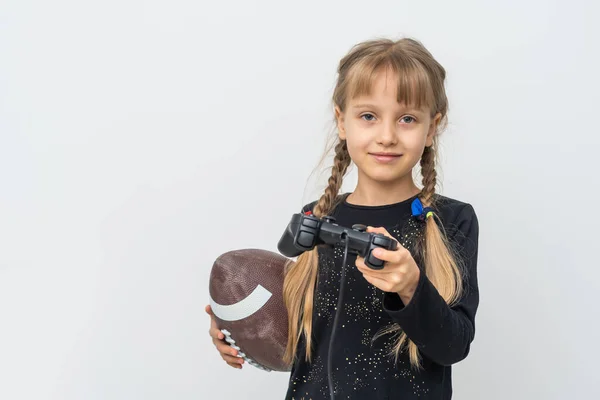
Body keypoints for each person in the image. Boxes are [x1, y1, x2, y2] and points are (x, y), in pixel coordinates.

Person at [206, 36, 479, 400]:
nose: (386, 136)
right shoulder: (319, 220)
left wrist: (411, 287)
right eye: (368, 116)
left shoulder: (449, 221)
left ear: (431, 128)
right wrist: (237, 334)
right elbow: (298, 338)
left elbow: (453, 346)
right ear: (342, 121)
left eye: (407, 119)